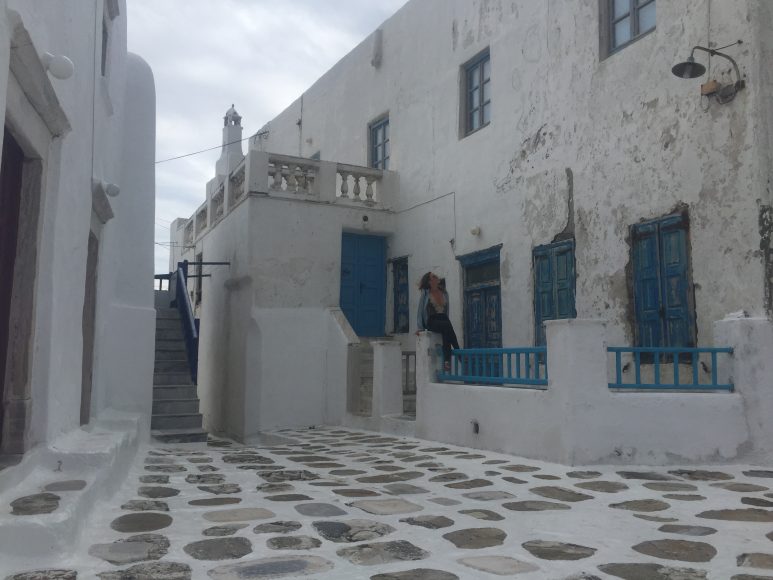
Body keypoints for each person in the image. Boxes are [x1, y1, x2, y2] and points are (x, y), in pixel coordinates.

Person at [416, 272, 460, 371]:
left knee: (447, 330)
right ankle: (458, 355)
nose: (437, 277)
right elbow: (420, 310)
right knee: (447, 326)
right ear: (430, 281)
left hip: (443, 319)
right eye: (434, 276)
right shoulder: (425, 293)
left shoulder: (445, 293)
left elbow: (447, 310)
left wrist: (446, 319)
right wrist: (420, 328)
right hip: (432, 320)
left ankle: (447, 361)